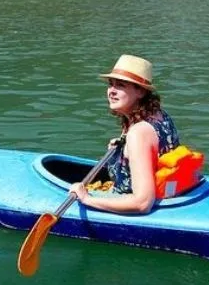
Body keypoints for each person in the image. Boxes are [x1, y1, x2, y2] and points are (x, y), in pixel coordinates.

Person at [70, 54, 180, 214]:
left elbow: (142, 203)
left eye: (120, 85)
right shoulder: (158, 115)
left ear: (141, 92)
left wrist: (87, 199)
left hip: (134, 203)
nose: (111, 91)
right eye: (110, 84)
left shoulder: (138, 133)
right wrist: (123, 147)